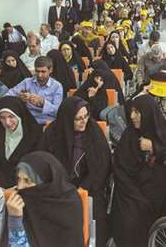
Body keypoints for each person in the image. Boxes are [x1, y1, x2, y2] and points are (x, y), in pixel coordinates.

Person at [111, 95, 166, 247]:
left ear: (148, 113)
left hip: (161, 188)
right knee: (131, 219)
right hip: (132, 189)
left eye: (137, 112)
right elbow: (120, 167)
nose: (132, 116)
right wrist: (135, 194)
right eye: (131, 112)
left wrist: (154, 148)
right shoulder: (129, 135)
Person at [41, 97, 111, 247]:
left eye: (86, 116)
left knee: (96, 216)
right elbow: (44, 164)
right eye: (78, 118)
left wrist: (85, 186)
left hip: (89, 187)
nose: (83, 121)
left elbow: (101, 166)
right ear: (67, 118)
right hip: (58, 187)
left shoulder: (94, 132)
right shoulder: (53, 133)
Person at [6, 151, 84, 247]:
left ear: (46, 183)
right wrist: (15, 220)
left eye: (27, 181)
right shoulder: (18, 206)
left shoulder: (68, 205)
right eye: (18, 179)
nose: (20, 187)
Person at [0, 96, 43, 188]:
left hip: (25, 186)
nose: (7, 122)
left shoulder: (36, 135)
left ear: (19, 115)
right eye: (2, 118)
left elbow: (35, 167)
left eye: (11, 116)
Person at [6, 56, 63, 124]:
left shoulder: (57, 86)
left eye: (43, 71)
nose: (39, 75)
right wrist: (19, 98)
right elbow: (7, 96)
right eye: (37, 71)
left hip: (46, 122)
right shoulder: (27, 82)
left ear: (50, 70)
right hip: (27, 120)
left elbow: (58, 112)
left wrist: (42, 103)